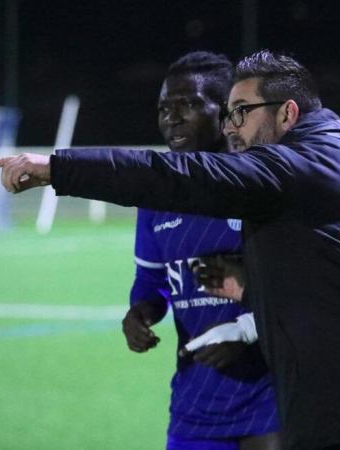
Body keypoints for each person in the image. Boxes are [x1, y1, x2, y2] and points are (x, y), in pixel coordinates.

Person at [0, 50, 340, 450]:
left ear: (287, 113)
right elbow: (325, 283)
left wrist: (56, 168)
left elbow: (173, 175)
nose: (231, 128)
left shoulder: (297, 169)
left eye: (241, 112)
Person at [121, 50, 280, 450]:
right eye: (164, 108)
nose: (172, 117)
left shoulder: (260, 186)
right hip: (195, 401)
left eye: (189, 104)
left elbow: (303, 290)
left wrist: (248, 336)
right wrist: (141, 312)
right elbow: (152, 281)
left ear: (227, 113)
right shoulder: (156, 198)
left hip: (270, 397)